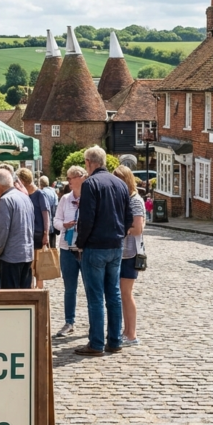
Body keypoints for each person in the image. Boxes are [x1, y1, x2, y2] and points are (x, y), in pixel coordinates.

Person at [74, 146, 132, 357]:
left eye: (85, 163)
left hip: (96, 246)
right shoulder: (120, 183)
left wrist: (80, 242)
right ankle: (115, 340)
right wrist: (120, 234)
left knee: (96, 297)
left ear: (90, 162)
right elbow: (128, 217)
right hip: (116, 246)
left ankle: (97, 343)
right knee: (114, 295)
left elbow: (86, 218)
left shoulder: (91, 183)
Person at [52, 165, 87, 337]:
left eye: (72, 177)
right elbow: (56, 220)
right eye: (68, 178)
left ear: (82, 177)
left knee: (91, 288)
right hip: (67, 249)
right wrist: (63, 225)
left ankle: (94, 324)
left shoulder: (90, 197)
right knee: (69, 288)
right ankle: (69, 322)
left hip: (86, 249)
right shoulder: (65, 199)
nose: (69, 181)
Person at [114, 166, 145, 346]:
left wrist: (118, 229)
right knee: (122, 293)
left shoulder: (135, 201)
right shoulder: (126, 199)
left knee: (126, 293)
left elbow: (138, 228)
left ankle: (131, 334)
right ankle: (126, 331)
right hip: (123, 252)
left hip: (130, 253)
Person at [0, 168, 34, 289]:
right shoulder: (25, 197)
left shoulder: (5, 200)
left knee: (12, 298)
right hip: (27, 254)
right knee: (25, 297)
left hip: (11, 257)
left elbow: (2, 230)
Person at [17, 168, 50, 289]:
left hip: (38, 234)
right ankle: (30, 289)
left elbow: (46, 215)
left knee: (39, 264)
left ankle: (39, 289)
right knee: (29, 265)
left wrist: (46, 234)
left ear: (23, 181)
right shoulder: (23, 194)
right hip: (27, 234)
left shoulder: (39, 194)